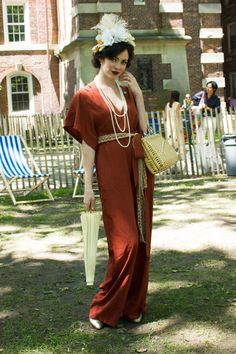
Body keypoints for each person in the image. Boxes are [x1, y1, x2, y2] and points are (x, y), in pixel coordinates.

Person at [64, 14, 154, 330]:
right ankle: (103, 307)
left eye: (124, 61)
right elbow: (88, 145)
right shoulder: (85, 97)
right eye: (114, 59)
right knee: (124, 241)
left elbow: (142, 128)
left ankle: (132, 305)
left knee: (141, 240)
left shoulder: (128, 91)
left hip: (139, 167)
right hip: (111, 169)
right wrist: (88, 186)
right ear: (100, 56)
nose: (119, 66)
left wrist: (140, 95)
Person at [192, 81, 221, 171]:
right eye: (207, 86)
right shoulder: (202, 94)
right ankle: (201, 161)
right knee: (199, 138)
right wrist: (196, 104)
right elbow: (194, 98)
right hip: (203, 119)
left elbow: (217, 111)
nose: (207, 88)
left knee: (211, 139)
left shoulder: (216, 99)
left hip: (211, 119)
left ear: (214, 89)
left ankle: (214, 162)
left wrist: (207, 107)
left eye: (209, 87)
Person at [165, 90, 185, 159]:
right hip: (175, 123)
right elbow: (178, 116)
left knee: (170, 138)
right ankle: (179, 154)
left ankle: (171, 154)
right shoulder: (177, 104)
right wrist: (180, 126)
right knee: (177, 138)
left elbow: (165, 115)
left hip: (168, 123)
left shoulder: (167, 104)